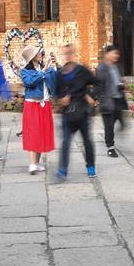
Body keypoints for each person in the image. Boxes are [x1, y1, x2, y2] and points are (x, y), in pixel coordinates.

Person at [55, 44, 98, 180]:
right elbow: (56, 93)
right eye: (65, 53)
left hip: (82, 112)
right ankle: (62, 169)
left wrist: (91, 95)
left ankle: (91, 166)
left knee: (87, 141)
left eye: (70, 53)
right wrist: (61, 100)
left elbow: (96, 82)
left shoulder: (82, 70)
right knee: (66, 142)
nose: (67, 56)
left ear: (74, 54)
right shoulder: (60, 74)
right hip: (67, 114)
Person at [19, 46, 56, 174]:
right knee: (33, 133)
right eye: (37, 53)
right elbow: (30, 82)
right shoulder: (25, 71)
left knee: (42, 133)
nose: (40, 54)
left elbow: (54, 82)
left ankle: (37, 163)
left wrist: (53, 68)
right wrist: (44, 71)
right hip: (32, 104)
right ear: (32, 57)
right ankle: (32, 164)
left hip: (45, 103)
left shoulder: (44, 68)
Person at [95, 45, 127, 158]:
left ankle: (109, 136)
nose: (116, 56)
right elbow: (99, 86)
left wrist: (121, 85)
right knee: (109, 126)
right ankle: (110, 148)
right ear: (107, 54)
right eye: (114, 53)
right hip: (107, 101)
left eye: (117, 54)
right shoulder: (101, 68)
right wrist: (100, 99)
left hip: (118, 99)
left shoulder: (117, 67)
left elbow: (118, 80)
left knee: (122, 122)